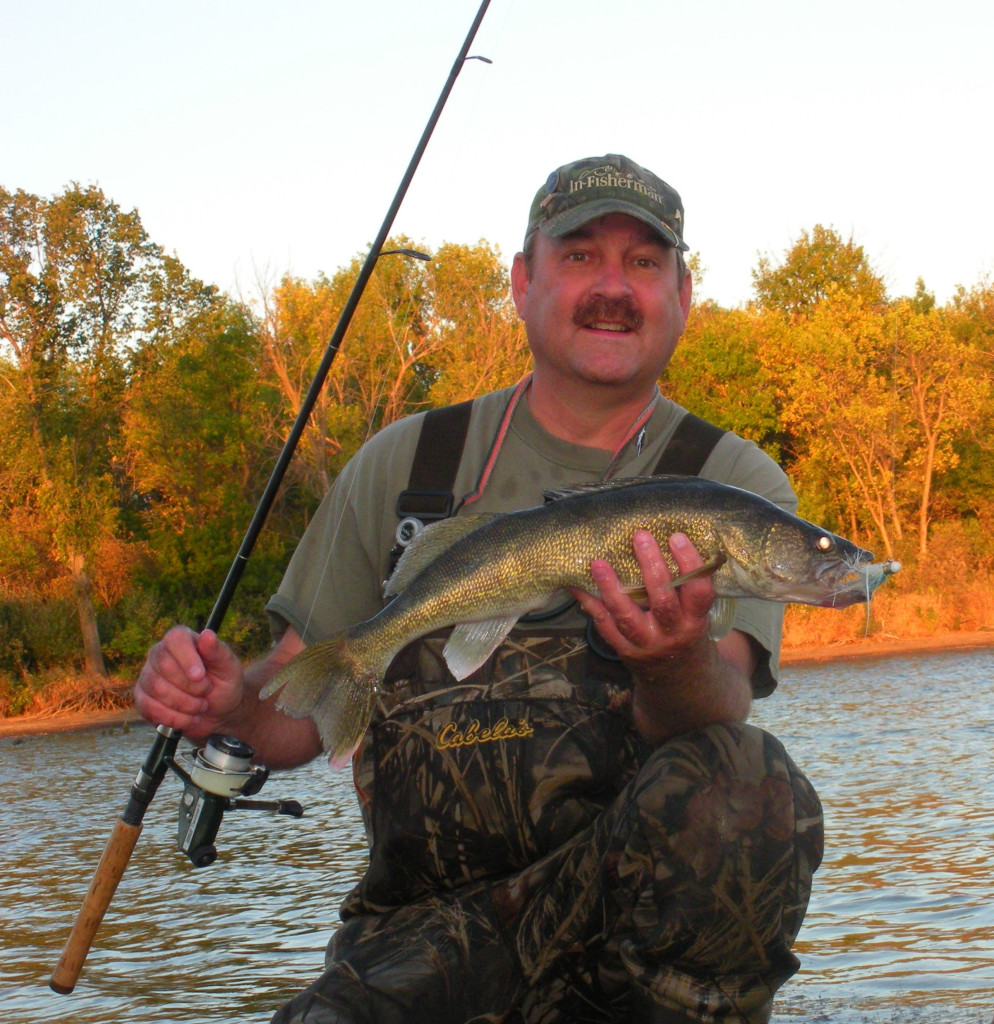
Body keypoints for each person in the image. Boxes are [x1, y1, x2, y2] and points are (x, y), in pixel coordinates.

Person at [136, 154, 823, 1023]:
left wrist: (673, 660)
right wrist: (232, 705)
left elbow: (721, 701)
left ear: (683, 295)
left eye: (645, 263)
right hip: (421, 936)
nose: (613, 287)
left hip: (634, 938)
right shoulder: (406, 466)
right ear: (522, 281)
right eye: (579, 256)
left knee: (750, 780)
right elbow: (297, 716)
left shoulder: (732, 483)